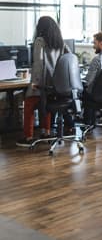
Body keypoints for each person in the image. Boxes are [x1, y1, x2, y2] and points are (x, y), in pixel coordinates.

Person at [16, 16, 69, 147]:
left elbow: (39, 63)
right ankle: (46, 133)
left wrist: (34, 83)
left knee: (29, 105)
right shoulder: (60, 43)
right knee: (46, 105)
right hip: (54, 84)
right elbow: (68, 59)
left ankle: (28, 137)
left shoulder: (40, 41)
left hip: (41, 81)